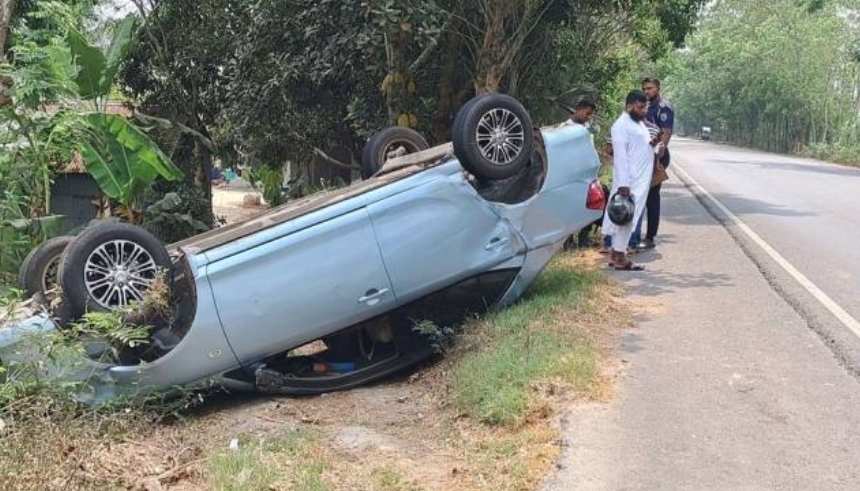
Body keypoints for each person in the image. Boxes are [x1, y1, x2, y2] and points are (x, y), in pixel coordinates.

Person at [601, 90, 654, 271]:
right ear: (629, 105)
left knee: (626, 218)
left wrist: (656, 146)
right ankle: (620, 257)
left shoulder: (638, 124)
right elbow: (621, 157)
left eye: (645, 107)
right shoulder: (621, 125)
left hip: (640, 179)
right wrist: (624, 184)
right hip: (629, 181)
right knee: (625, 217)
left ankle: (616, 254)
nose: (644, 111)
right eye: (640, 107)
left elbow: (640, 147)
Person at [632, 77, 674, 250]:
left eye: (650, 88)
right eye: (644, 88)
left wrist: (657, 158)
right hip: (642, 156)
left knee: (652, 196)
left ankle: (650, 237)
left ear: (658, 88)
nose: (647, 91)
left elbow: (666, 134)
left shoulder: (663, 107)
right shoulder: (644, 105)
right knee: (639, 195)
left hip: (657, 156)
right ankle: (634, 234)